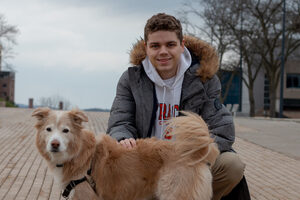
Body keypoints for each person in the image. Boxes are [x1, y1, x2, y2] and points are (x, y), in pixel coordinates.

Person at [107, 13, 250, 200]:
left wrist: (194, 154)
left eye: (170, 45)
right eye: (155, 46)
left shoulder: (204, 78)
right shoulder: (131, 79)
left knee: (232, 165)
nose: (163, 51)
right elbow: (119, 121)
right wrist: (123, 138)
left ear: (182, 46)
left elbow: (222, 128)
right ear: (146, 48)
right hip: (147, 162)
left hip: (189, 160)